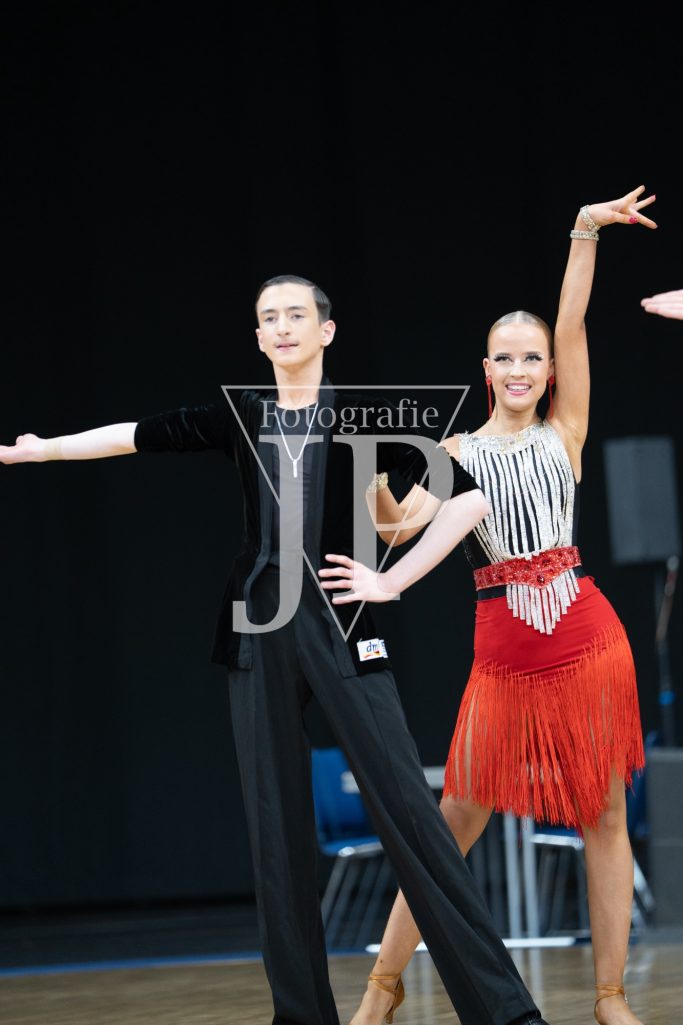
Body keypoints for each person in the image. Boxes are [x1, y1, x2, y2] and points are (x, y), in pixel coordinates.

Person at [0, 275, 553, 1025]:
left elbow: (469, 496)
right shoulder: (242, 413)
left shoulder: (366, 417)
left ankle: (504, 1012)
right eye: (270, 317)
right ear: (259, 337)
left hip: (342, 622)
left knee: (413, 818)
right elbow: (139, 433)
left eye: (297, 314)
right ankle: (300, 1015)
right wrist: (45, 451)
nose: (283, 326)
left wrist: (391, 579)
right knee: (275, 828)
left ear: (326, 330)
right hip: (258, 626)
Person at [322, 186, 656, 1025]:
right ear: (485, 370)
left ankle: (609, 996)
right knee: (448, 828)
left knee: (603, 813)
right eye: (503, 357)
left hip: (586, 637)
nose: (518, 369)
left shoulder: (564, 429)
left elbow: (572, 320)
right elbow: (395, 528)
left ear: (549, 370)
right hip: (502, 651)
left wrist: (584, 231)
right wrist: (370, 471)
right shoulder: (453, 450)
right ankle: (381, 988)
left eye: (530, 357)